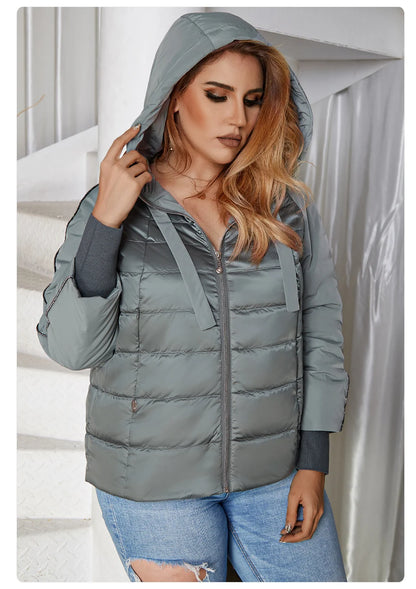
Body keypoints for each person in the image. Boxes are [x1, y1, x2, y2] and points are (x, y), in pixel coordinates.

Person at [37, 11, 349, 583]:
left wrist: (313, 461)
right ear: (175, 96)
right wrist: (107, 221)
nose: (239, 119)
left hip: (275, 474)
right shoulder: (113, 206)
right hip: (153, 483)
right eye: (217, 95)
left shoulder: (284, 208)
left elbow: (319, 332)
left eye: (252, 100)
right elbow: (71, 348)